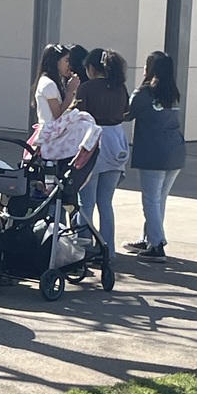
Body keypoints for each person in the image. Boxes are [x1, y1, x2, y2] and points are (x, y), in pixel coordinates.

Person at [123, 51, 185, 263]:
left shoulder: (144, 93)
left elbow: (127, 114)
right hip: (174, 152)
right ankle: (149, 238)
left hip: (154, 152)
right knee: (160, 199)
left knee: (150, 199)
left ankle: (157, 244)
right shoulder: (172, 93)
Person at [75, 49, 130, 260]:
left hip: (93, 140)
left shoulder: (86, 88)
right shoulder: (120, 88)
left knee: (85, 203)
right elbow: (125, 112)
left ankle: (83, 248)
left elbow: (78, 117)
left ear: (91, 68)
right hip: (116, 141)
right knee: (105, 202)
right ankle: (109, 248)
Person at [32, 43, 81, 126]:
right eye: (66, 60)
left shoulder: (55, 82)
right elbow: (58, 116)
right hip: (50, 133)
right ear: (56, 62)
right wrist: (70, 91)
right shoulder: (48, 84)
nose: (69, 65)